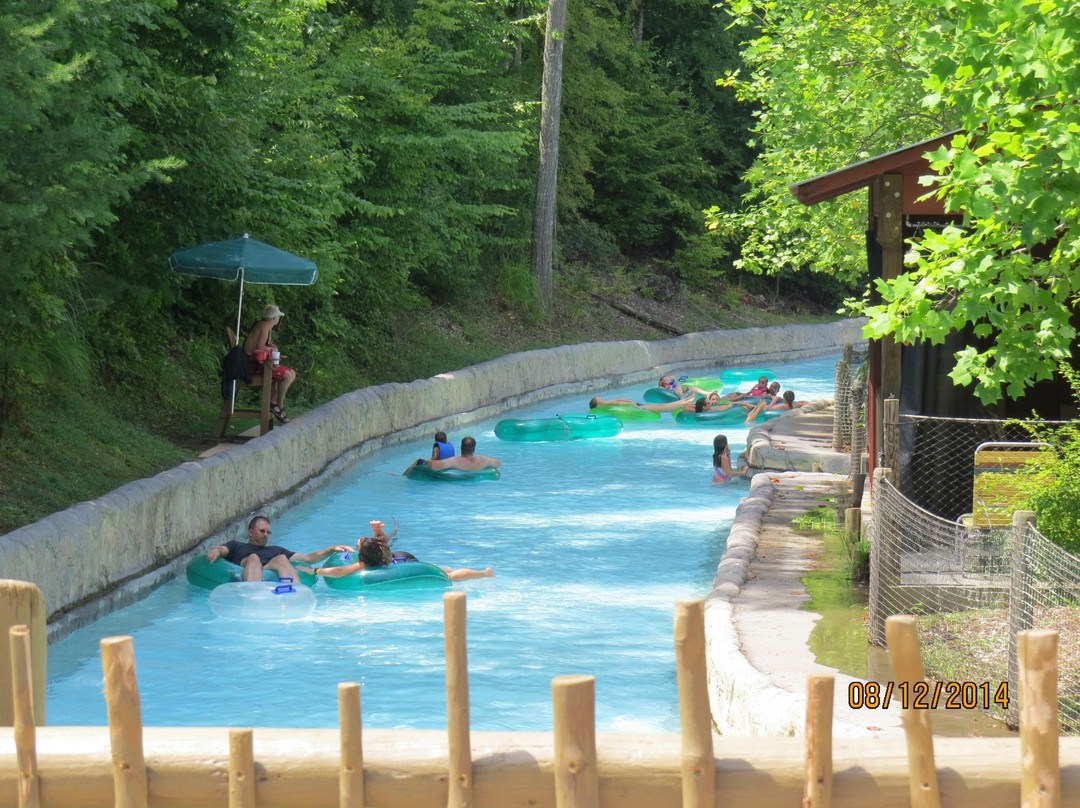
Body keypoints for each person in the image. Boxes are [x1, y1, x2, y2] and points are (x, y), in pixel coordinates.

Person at [305, 523, 495, 582]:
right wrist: (376, 531)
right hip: (402, 556)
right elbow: (382, 542)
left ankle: (484, 573)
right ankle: (483, 572)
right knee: (443, 568)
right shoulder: (378, 551)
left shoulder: (363, 564)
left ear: (362, 556)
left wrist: (316, 571)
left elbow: (340, 571)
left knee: (448, 576)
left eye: (358, 545)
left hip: (407, 564)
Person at [205, 516, 350, 582]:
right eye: (262, 531)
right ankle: (253, 594)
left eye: (268, 532)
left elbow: (308, 559)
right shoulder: (237, 545)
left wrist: (331, 549)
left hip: (267, 567)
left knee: (281, 558)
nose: (266, 535)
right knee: (254, 557)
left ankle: (295, 594)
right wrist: (216, 550)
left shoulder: (275, 550)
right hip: (247, 565)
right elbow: (223, 550)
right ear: (250, 532)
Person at [243, 304, 296, 424]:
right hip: (251, 365)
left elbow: (267, 345)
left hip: (257, 362)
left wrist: (273, 347)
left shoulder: (265, 325)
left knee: (292, 373)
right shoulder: (265, 326)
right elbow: (260, 346)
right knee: (288, 375)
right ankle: (278, 405)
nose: (279, 318)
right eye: (278, 316)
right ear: (274, 318)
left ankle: (273, 402)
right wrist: (274, 350)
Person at [405, 436, 500, 475]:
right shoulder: (482, 460)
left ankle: (402, 476)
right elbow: (497, 463)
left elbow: (434, 466)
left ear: (461, 448)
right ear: (474, 449)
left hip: (453, 480)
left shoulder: (454, 461)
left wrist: (429, 460)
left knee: (419, 461)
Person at [589, 395, 692, 413]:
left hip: (637, 406)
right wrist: (633, 404)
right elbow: (619, 402)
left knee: (661, 406)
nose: (600, 398)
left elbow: (620, 401)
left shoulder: (608, 403)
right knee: (662, 407)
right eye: (598, 399)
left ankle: (684, 401)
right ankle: (685, 401)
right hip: (638, 407)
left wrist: (632, 403)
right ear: (597, 404)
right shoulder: (607, 405)